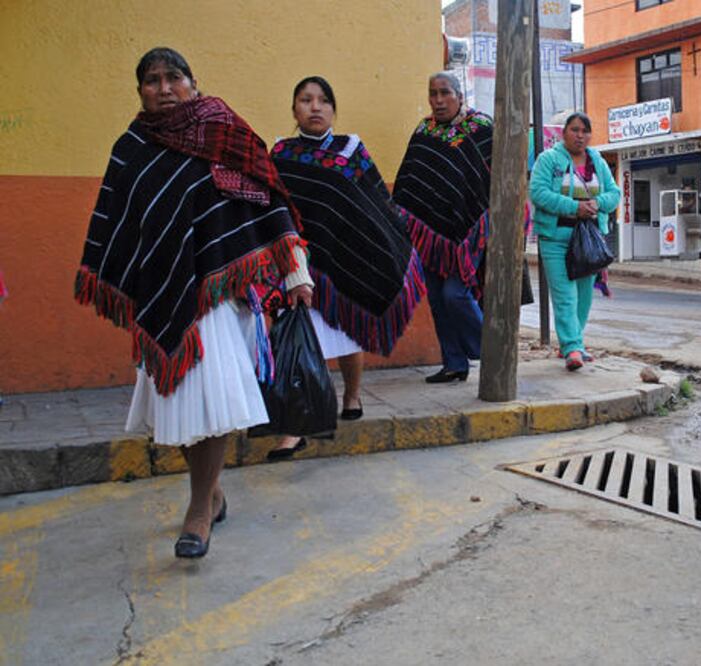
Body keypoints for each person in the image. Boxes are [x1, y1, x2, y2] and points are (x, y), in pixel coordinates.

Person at [75, 47, 313, 557]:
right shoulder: (132, 146)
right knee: (180, 407)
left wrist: (296, 272)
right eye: (152, 80)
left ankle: (198, 511)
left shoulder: (224, 130)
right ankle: (212, 492)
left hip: (219, 294)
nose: (163, 88)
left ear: (193, 82)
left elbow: (269, 197)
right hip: (162, 294)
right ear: (140, 90)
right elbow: (119, 220)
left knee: (210, 402)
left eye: (173, 77)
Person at [266, 76, 426, 459]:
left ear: (334, 109)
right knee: (302, 341)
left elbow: (374, 203)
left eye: (323, 100)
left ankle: (352, 394)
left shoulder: (350, 149)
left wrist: (383, 244)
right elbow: (273, 207)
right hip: (300, 261)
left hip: (350, 255)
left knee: (348, 334)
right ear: (294, 110)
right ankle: (294, 427)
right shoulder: (280, 153)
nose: (315, 107)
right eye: (305, 100)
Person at [392, 73, 492, 383]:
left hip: (469, 230)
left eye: (445, 93)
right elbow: (411, 178)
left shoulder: (480, 128)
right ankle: (454, 363)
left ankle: (492, 352)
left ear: (460, 96)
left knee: (455, 294)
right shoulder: (425, 129)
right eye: (433, 93)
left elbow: (498, 176)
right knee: (436, 296)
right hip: (429, 233)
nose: (437, 100)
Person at [528, 112, 620, 371]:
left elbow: (614, 194)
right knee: (564, 295)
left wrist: (597, 204)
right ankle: (572, 348)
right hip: (555, 238)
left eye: (585, 131)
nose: (580, 135)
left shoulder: (597, 161)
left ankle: (573, 342)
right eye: (575, 130)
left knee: (583, 297)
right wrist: (573, 207)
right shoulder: (548, 159)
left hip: (588, 239)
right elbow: (538, 193)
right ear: (564, 132)